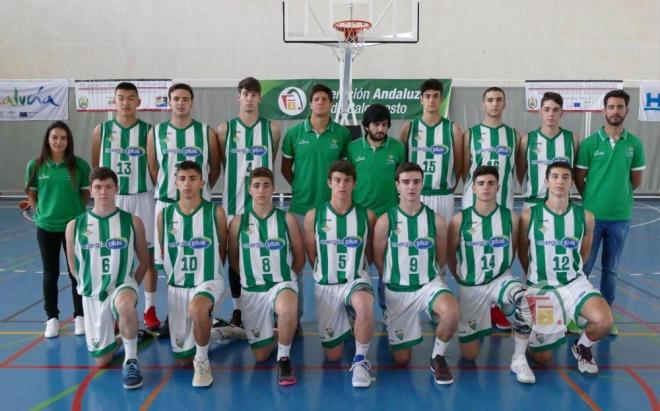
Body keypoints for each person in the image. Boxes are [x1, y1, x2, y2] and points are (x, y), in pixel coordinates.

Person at [519, 161, 613, 375]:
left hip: (574, 283)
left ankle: (582, 346)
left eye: (565, 177)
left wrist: (573, 273)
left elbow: (584, 252)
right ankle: (538, 330)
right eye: (555, 177)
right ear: (546, 181)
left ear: (571, 183)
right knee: (542, 358)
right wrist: (534, 280)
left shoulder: (585, 216)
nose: (559, 181)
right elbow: (523, 252)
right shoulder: (529, 216)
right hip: (543, 288)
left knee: (604, 321)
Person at [447, 165, 534, 384]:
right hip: (471, 286)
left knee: (528, 299)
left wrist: (500, 275)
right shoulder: (459, 219)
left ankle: (519, 358)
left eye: (491, 183)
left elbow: (513, 249)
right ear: (473, 188)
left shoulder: (511, 218)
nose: (486, 188)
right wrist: (460, 279)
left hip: (500, 280)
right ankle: (485, 316)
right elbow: (450, 254)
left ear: (498, 188)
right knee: (469, 355)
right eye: (481, 183)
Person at [373, 162, 458, 384]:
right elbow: (378, 258)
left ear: (422, 184)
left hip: (428, 285)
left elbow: (440, 257)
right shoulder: (386, 220)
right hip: (398, 291)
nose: (411, 187)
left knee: (451, 311)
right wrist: (394, 277)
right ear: (397, 186)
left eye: (416, 182)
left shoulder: (436, 220)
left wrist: (427, 276)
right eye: (406, 182)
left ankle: (437, 357)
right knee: (401, 359)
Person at [65, 167, 149, 389]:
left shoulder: (132, 221)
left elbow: (144, 260)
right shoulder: (75, 225)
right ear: (91, 191)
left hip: (121, 285)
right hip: (93, 293)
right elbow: (73, 266)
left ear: (116, 189)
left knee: (125, 305)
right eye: (98, 187)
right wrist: (88, 285)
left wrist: (131, 288)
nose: (103, 192)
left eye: (108, 187)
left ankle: (131, 360)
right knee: (102, 361)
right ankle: (128, 335)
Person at [91, 81, 161, 331]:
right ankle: (115, 308)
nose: (126, 102)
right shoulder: (101, 130)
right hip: (114, 199)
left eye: (131, 98)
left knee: (148, 257)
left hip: (143, 196)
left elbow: (155, 167)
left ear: (138, 102)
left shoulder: (150, 131)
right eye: (121, 97)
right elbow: (96, 168)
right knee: (114, 254)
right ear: (114, 101)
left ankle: (150, 309)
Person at [281, 83, 352, 326]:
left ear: (331, 104)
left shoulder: (342, 134)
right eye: (316, 99)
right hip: (300, 207)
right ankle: (294, 317)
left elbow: (345, 171)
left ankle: (343, 314)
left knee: (337, 261)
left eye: (325, 99)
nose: (320, 103)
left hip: (333, 211)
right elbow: (285, 169)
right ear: (310, 103)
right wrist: (301, 186)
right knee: (297, 264)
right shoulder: (294, 134)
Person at [576, 89, 645, 335]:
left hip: (620, 219)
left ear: (626, 110)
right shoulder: (589, 143)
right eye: (611, 107)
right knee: (583, 267)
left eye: (620, 107)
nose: (615, 111)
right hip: (592, 217)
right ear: (603, 110)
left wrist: (618, 197)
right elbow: (579, 178)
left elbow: (635, 180)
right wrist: (594, 198)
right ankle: (577, 315)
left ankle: (607, 317)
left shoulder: (634, 144)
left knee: (611, 271)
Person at [227, 168, 304, 386]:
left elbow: (299, 257)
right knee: (260, 356)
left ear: (273, 189)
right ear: (250, 190)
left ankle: (284, 358)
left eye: (266, 185)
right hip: (253, 290)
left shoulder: (286, 219)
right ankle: (268, 332)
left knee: (288, 310)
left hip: (281, 283)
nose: (261, 190)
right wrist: (251, 276)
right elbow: (233, 260)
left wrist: (286, 277)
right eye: (257, 185)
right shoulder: (237, 223)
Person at [303, 160, 377, 388]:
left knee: (365, 305)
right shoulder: (313, 216)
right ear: (329, 183)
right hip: (327, 285)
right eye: (337, 180)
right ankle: (348, 316)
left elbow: (370, 254)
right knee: (333, 355)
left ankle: (361, 360)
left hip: (355, 279)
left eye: (346, 181)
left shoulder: (368, 215)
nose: (341, 185)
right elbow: (312, 254)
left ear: (354, 183)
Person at [216, 76, 281, 328]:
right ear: (238, 96)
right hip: (234, 204)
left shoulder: (272, 129)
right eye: (246, 94)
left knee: (268, 254)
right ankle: (238, 310)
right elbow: (223, 163)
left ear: (260, 98)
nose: (250, 98)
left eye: (254, 94)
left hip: (263, 206)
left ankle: (271, 305)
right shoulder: (224, 129)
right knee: (235, 258)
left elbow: (271, 161)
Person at [157, 161, 226, 387]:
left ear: (202, 183)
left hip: (206, 279)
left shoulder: (215, 212)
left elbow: (222, 248)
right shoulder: (164, 215)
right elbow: (164, 250)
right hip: (178, 285)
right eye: (183, 179)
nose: (187, 183)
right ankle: (218, 331)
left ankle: (203, 361)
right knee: (183, 359)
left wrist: (212, 275)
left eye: (193, 179)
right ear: (176, 182)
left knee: (198, 309)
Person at [24, 121, 90, 338]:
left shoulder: (79, 166)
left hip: (74, 226)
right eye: (55, 137)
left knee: (76, 273)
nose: (59, 141)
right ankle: (51, 317)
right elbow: (32, 195)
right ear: (48, 140)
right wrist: (41, 213)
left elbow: (84, 194)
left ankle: (80, 316)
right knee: (50, 273)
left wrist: (77, 211)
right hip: (46, 227)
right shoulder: (35, 166)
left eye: (63, 138)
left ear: (68, 140)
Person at [462, 86, 521, 330]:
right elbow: (465, 168)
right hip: (475, 200)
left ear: (504, 104)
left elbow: (519, 169)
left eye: (499, 100)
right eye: (490, 100)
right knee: (474, 252)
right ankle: (474, 302)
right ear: (483, 104)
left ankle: (497, 307)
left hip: (503, 200)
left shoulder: (515, 135)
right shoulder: (471, 134)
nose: (494, 104)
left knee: (500, 251)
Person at [147, 83, 220, 271]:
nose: (181, 103)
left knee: (201, 258)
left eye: (185, 99)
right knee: (168, 261)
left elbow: (214, 168)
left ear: (192, 103)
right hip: (166, 202)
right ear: (169, 102)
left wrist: (199, 190)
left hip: (199, 205)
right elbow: (154, 169)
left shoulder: (206, 132)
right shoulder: (156, 132)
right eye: (176, 99)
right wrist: (169, 187)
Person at [400, 79, 463, 224]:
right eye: (427, 96)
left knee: (442, 241)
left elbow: (458, 164)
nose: (431, 100)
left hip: (443, 195)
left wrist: (450, 186)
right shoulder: (408, 128)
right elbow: (402, 164)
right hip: (415, 194)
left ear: (441, 99)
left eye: (435, 96)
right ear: (421, 99)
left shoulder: (452, 129)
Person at [517, 92, 580, 210]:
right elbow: (520, 171)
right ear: (540, 112)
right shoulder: (527, 139)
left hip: (563, 203)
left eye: (556, 110)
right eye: (547, 109)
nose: (551, 114)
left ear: (562, 113)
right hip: (533, 203)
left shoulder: (572, 139)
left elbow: (574, 171)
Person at [348, 103, 405, 216]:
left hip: (389, 211)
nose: (381, 129)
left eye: (384, 125)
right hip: (359, 211)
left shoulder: (398, 147)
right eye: (376, 124)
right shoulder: (352, 147)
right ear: (366, 126)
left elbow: (402, 180)